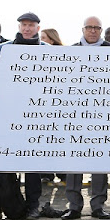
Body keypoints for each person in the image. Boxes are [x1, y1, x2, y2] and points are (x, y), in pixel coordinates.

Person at [0, 12, 48, 220]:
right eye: (24, 25)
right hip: (10, 112)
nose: (27, 28)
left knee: (33, 164)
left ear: (38, 28)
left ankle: (33, 206)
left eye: (31, 25)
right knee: (3, 161)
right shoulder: (5, 48)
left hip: (36, 114)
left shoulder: (46, 50)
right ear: (19, 27)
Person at [61, 16, 110, 220]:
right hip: (75, 115)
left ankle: (98, 205)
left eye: (97, 28)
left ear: (101, 30)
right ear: (83, 29)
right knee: (74, 162)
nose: (93, 31)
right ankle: (74, 205)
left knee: (100, 161)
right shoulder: (71, 50)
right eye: (89, 27)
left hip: (103, 115)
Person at [38, 27, 65, 184]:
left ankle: (62, 173)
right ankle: (46, 173)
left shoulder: (63, 55)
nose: (40, 41)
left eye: (44, 38)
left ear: (52, 40)